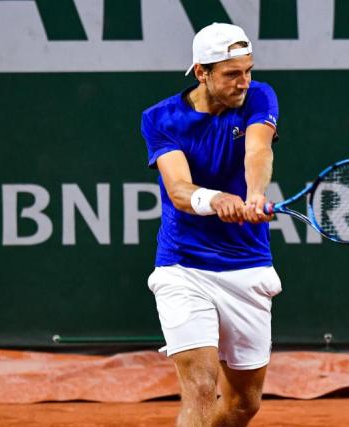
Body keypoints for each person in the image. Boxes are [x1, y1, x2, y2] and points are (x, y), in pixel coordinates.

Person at [140, 23, 281, 426]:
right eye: (232, 74)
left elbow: (258, 149)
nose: (244, 82)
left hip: (247, 266)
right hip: (183, 268)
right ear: (201, 72)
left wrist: (255, 193)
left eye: (248, 70)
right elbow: (180, 190)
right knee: (200, 390)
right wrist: (216, 200)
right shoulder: (160, 118)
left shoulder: (259, 97)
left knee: (242, 405)